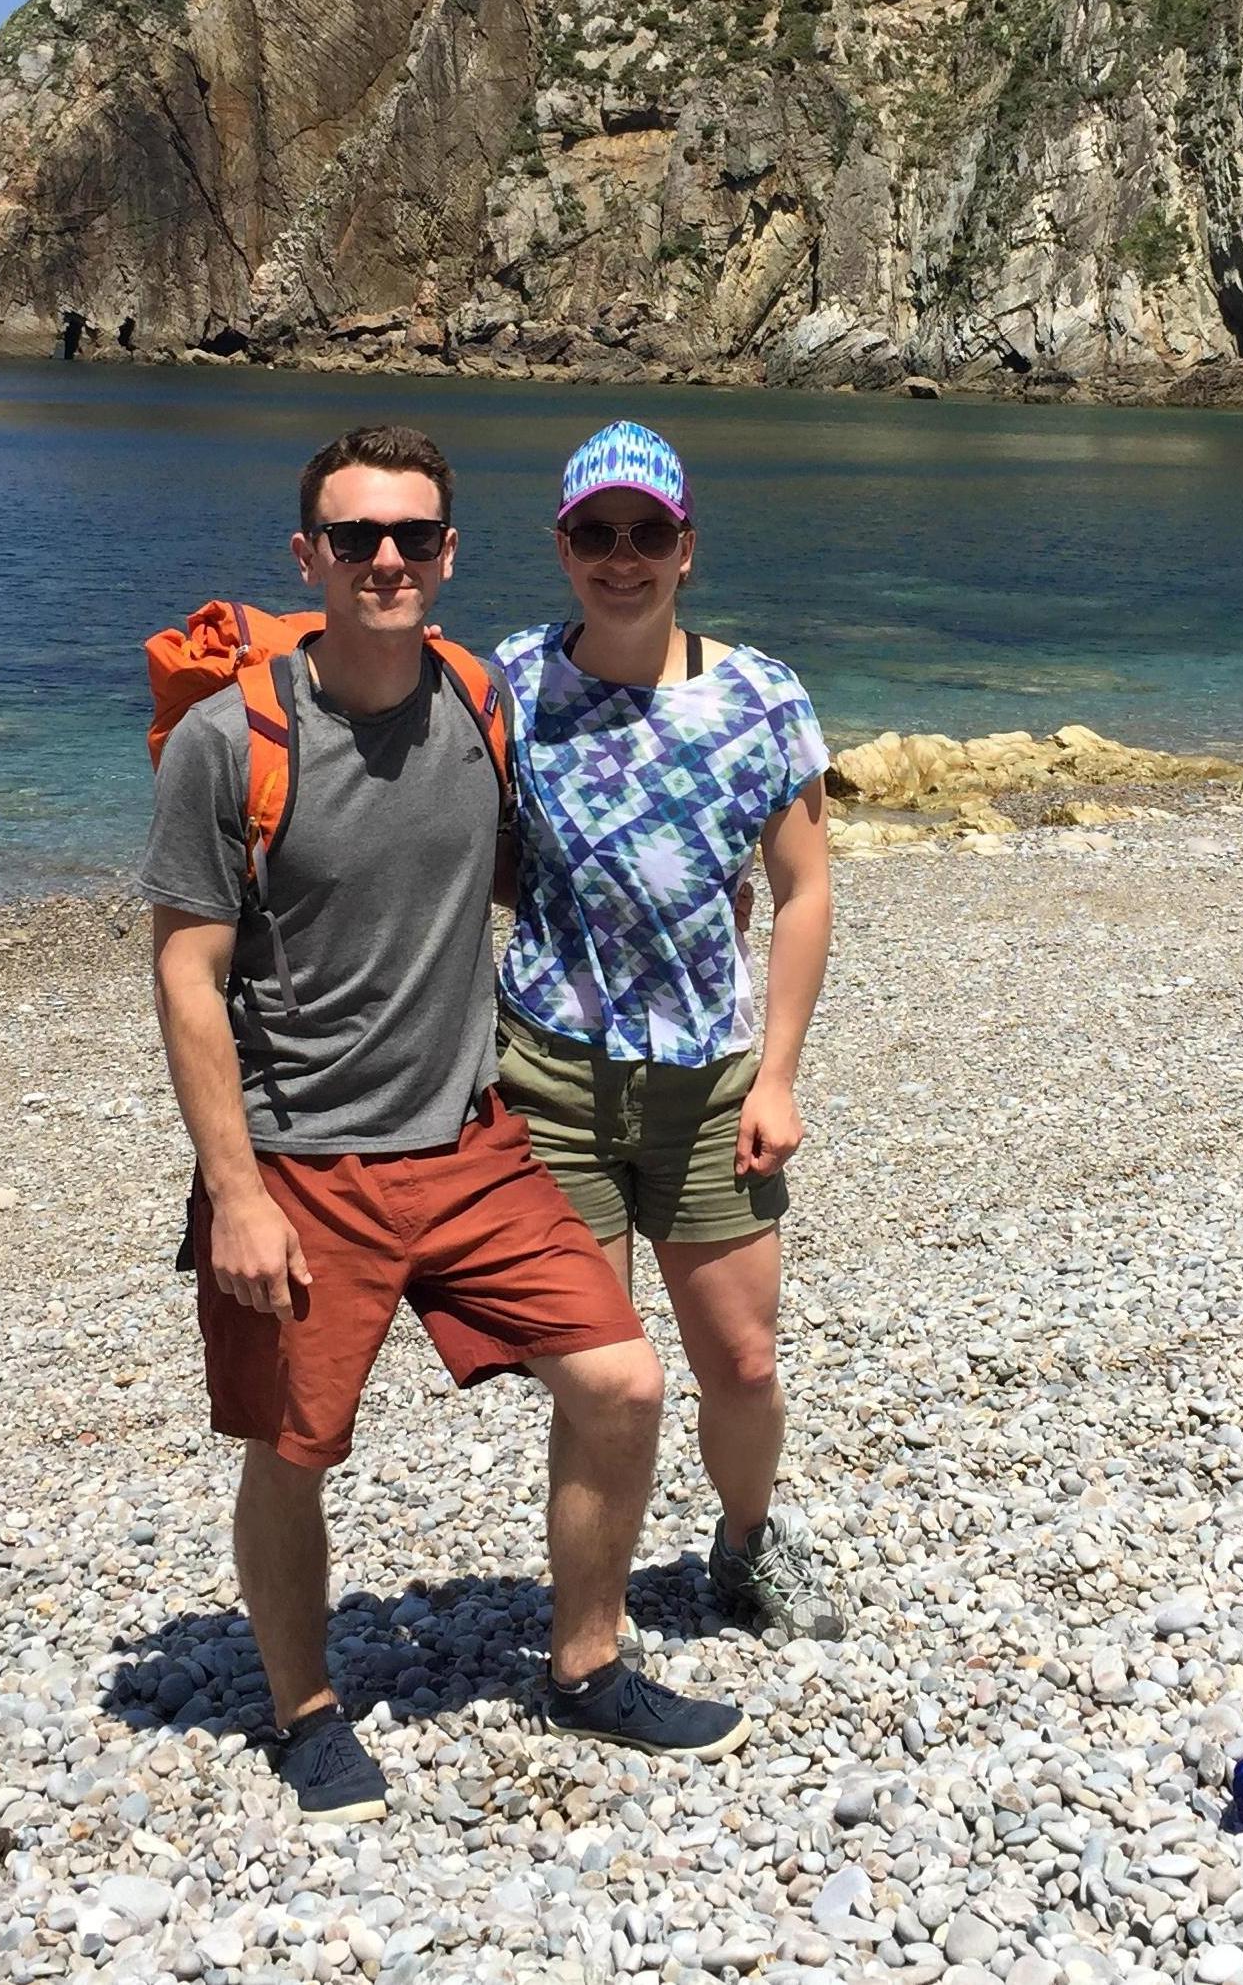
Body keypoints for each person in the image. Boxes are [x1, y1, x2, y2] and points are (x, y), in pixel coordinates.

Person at [141, 423, 752, 1826]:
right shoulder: (232, 741)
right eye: (354, 538)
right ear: (306, 555)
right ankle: (301, 1707)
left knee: (620, 1380)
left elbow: (546, 869)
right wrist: (233, 1190)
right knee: (292, 1446)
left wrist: (701, 916)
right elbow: (186, 968)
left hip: (471, 1142)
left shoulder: (481, 700)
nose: (385, 560)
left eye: (412, 535)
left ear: (450, 552)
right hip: (302, 1161)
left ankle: (586, 1660)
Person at [493, 421, 844, 1642]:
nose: (620, 555)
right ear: (561, 544)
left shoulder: (759, 698)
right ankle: (590, 1622)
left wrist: (779, 1075)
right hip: (549, 1075)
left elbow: (802, 892)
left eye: (646, 532)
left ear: (685, 546)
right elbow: (460, 845)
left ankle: (746, 1540)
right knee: (596, 1377)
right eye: (596, 532)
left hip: (706, 1078)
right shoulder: (511, 682)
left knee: (741, 1360)